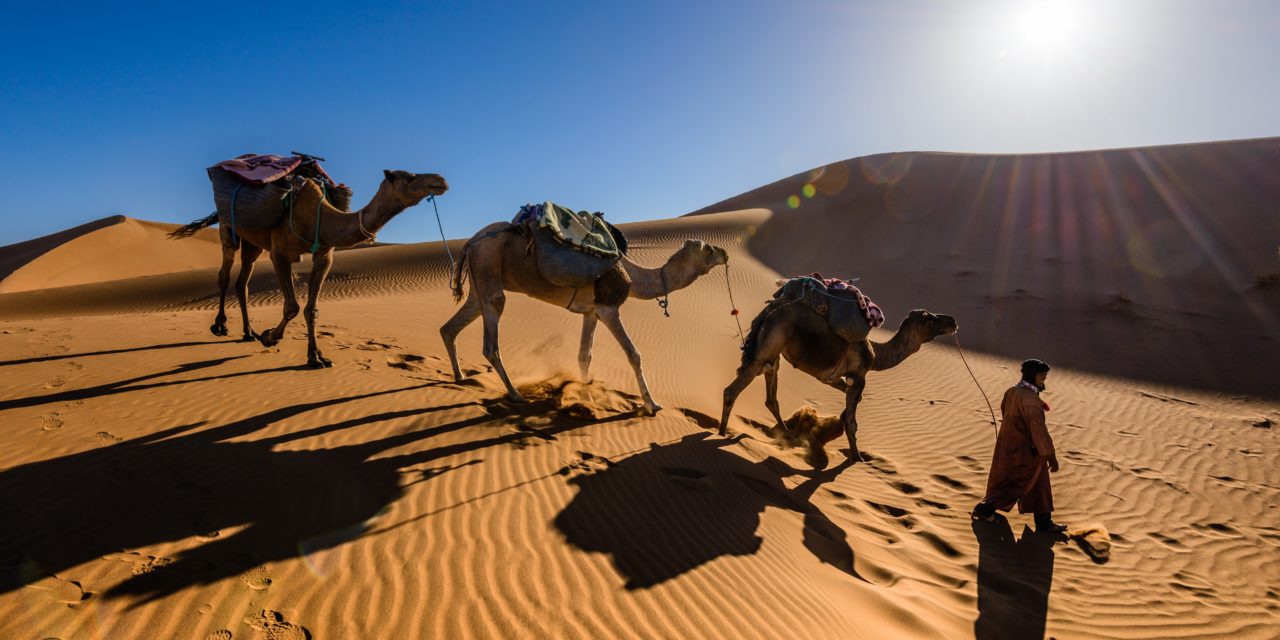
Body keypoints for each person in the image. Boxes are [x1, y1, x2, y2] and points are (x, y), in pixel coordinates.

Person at [971, 359, 1066, 533]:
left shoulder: (1013, 391)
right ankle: (985, 509)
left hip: (1010, 446)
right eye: (1041, 375)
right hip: (1026, 452)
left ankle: (1044, 523)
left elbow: (1005, 411)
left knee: (1038, 484)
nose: (1044, 378)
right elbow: (1038, 430)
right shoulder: (1029, 400)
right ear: (1032, 376)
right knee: (1017, 484)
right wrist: (1050, 455)